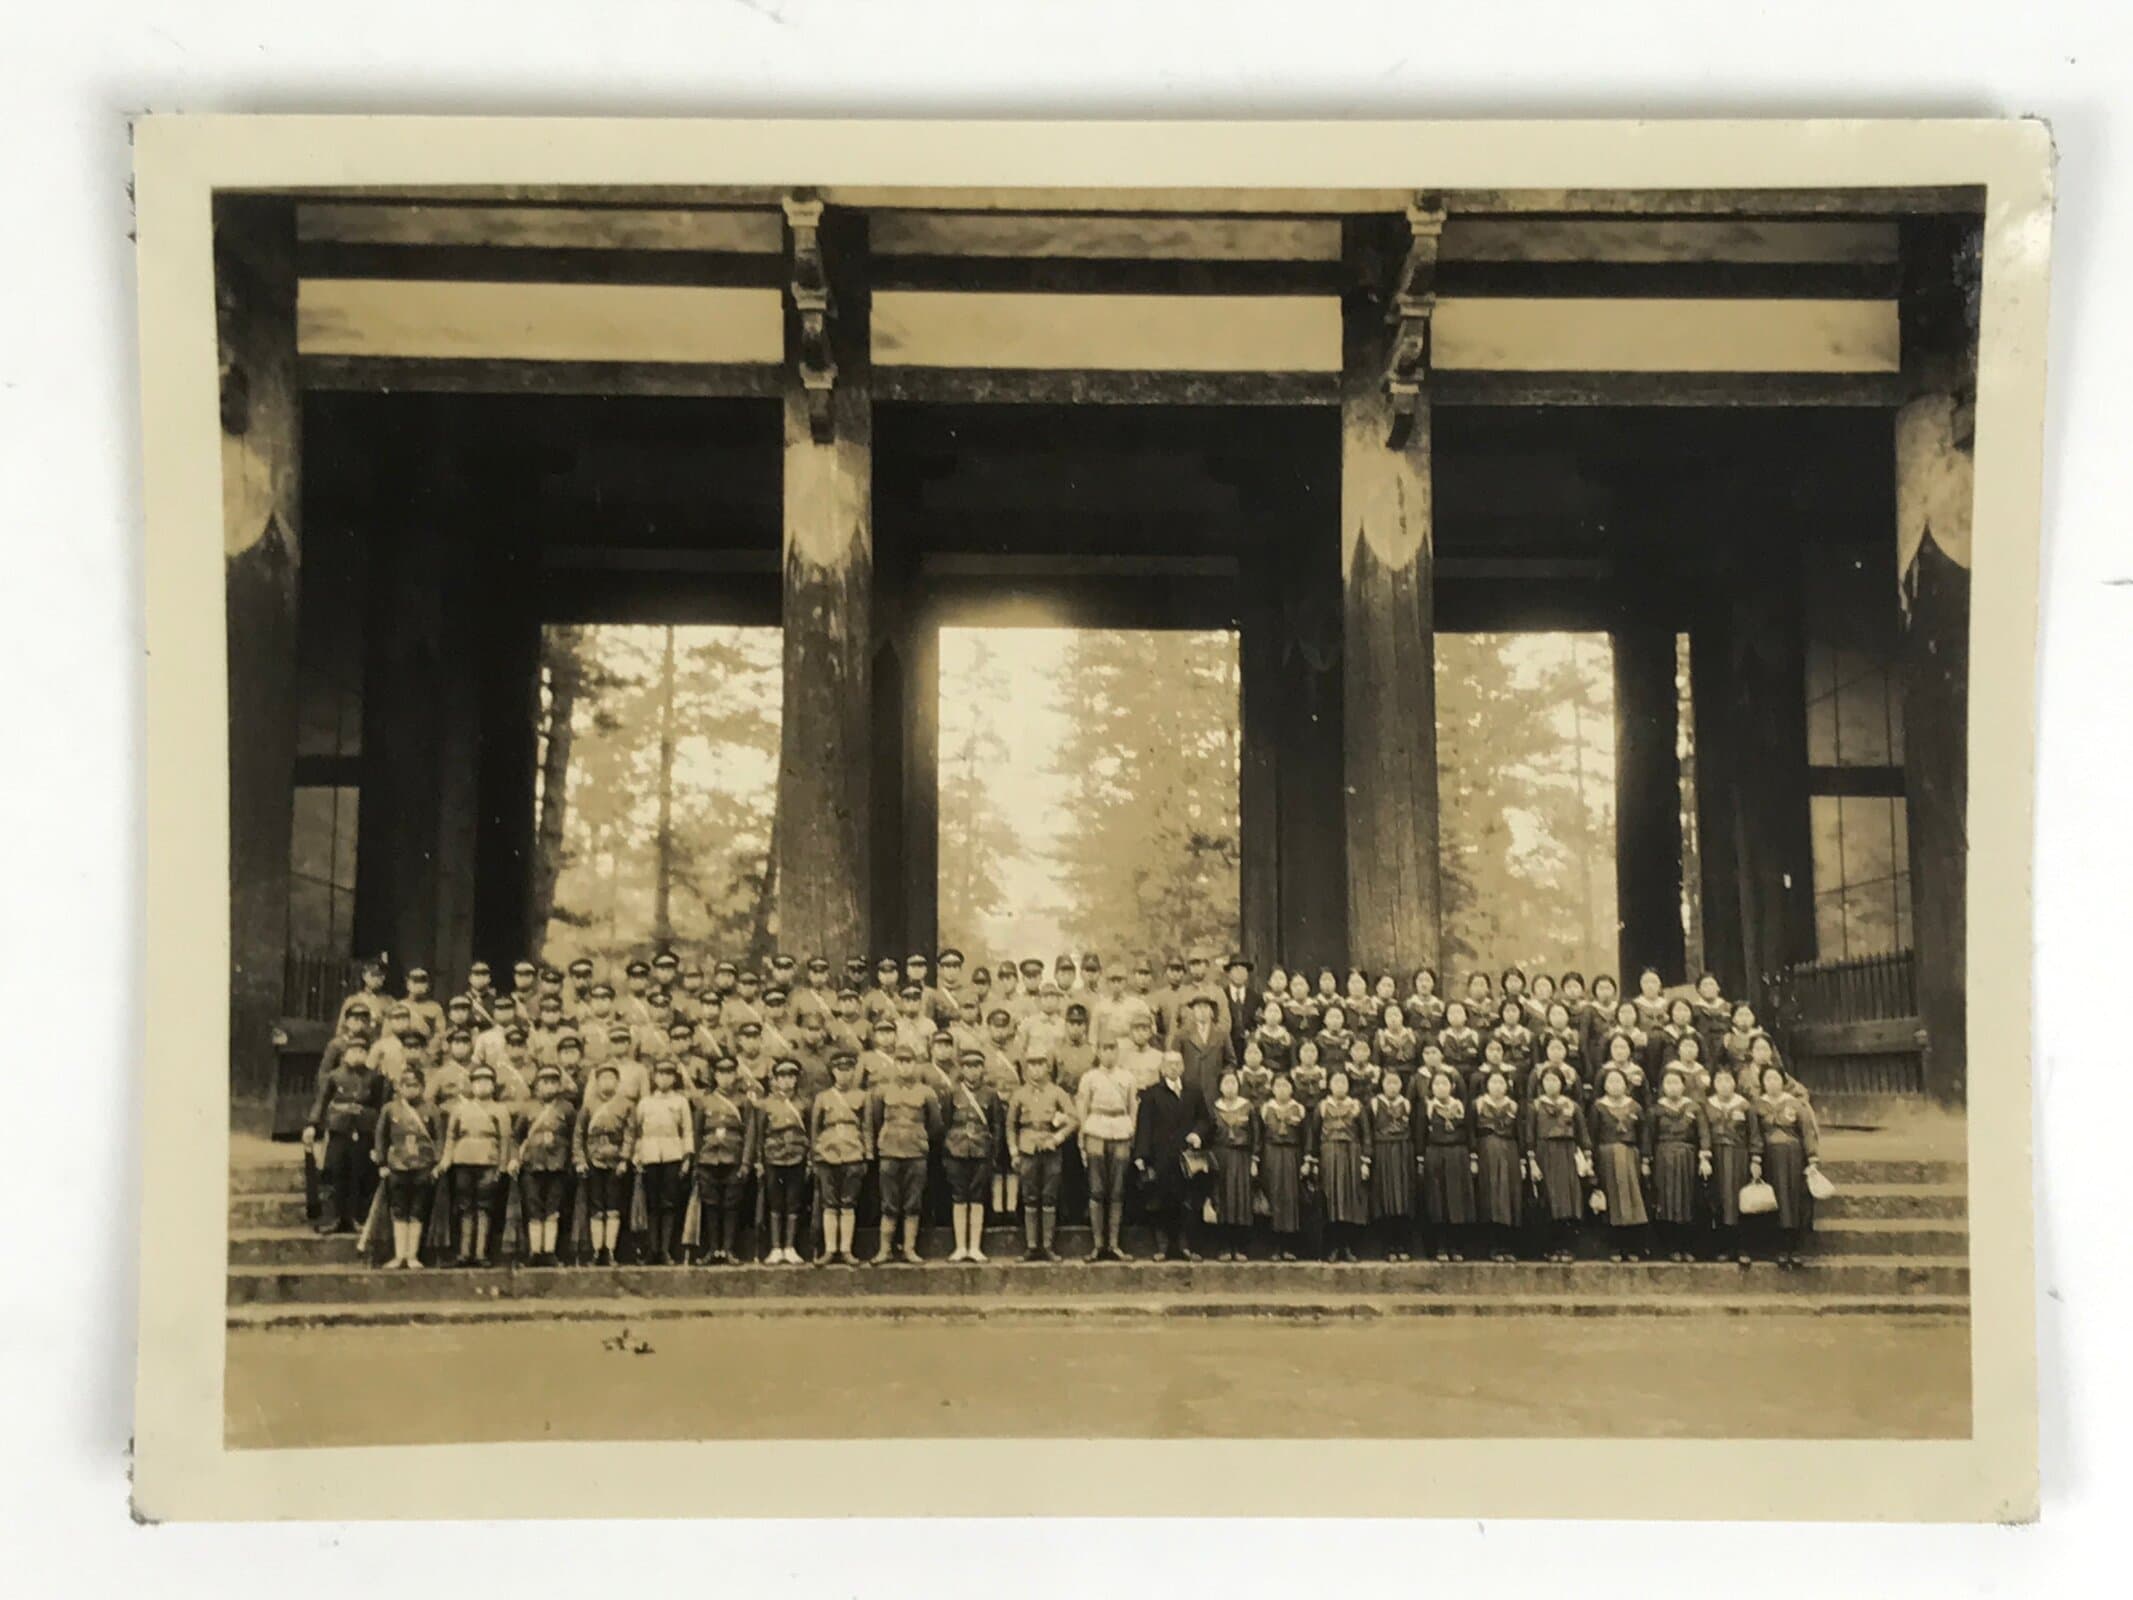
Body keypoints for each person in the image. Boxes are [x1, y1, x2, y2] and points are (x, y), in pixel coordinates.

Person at [1132, 1050, 1209, 1263]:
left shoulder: (1193, 1091)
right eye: (1169, 1064)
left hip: (1186, 1157)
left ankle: (1185, 1246)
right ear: (1162, 1068)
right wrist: (1141, 1155)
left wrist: (1197, 1134)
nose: (1174, 1068)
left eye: (1177, 1064)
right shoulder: (1152, 1094)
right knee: (1161, 1200)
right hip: (1161, 1156)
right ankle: (1163, 1246)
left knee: (1187, 1201)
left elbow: (1205, 1119)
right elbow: (1144, 1126)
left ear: (1183, 1067)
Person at [304, 1036, 385, 1234]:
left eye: (362, 1051)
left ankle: (358, 1218)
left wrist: (366, 1115)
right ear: (346, 1053)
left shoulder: (374, 1078)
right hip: (339, 1130)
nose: (357, 1054)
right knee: (336, 1172)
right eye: (354, 1050)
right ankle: (336, 1218)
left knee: (361, 1173)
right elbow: (321, 1102)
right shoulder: (334, 1076)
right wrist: (313, 1125)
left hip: (364, 1131)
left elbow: (380, 1106)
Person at [438, 1063, 513, 1267]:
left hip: (488, 1160)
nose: (482, 1086)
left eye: (487, 1081)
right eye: (478, 1081)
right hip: (463, 1159)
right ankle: (464, 1252)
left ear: (493, 1085)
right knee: (464, 1206)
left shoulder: (500, 1110)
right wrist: (446, 1159)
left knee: (484, 1206)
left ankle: (480, 1253)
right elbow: (451, 1136)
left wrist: (502, 1166)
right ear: (472, 1085)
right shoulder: (460, 1109)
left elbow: (505, 1139)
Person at [869, 1050, 940, 1265]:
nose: (904, 1066)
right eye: (900, 1062)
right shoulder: (882, 1091)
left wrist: (920, 1139)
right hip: (890, 1152)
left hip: (916, 1152)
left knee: (913, 1203)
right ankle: (885, 1250)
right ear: (895, 1064)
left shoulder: (927, 1092)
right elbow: (875, 1119)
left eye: (909, 1062)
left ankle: (909, 1249)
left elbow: (935, 1124)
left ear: (915, 1064)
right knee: (889, 1203)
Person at [1008, 1053, 1078, 1262]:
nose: (1036, 1069)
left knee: (1049, 1197)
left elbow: (1074, 1119)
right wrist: (1013, 1151)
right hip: (1027, 1147)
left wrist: (1057, 1138)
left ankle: (1047, 1246)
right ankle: (1031, 1246)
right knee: (1029, 1197)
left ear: (1047, 1067)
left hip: (1050, 1148)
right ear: (1027, 1068)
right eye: (1032, 1065)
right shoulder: (1019, 1094)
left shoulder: (1057, 1093)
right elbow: (1010, 1125)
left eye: (1040, 1064)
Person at [370, 1064, 442, 1269]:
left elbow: (439, 1137)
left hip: (422, 1166)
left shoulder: (431, 1109)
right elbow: (380, 1137)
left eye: (415, 1085)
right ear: (399, 1087)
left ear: (422, 1087)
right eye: (406, 1085)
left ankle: (412, 1255)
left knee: (418, 1210)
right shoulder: (390, 1109)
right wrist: (382, 1163)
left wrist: (436, 1163)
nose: (411, 1089)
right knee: (398, 1209)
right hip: (397, 1166)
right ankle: (399, 1255)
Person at [942, 1048, 1008, 1263]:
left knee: (978, 1198)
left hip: (981, 1151)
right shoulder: (952, 1093)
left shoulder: (990, 1094)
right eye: (968, 1066)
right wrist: (948, 1148)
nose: (972, 1071)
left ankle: (975, 1247)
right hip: (956, 1150)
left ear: (982, 1069)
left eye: (977, 1066)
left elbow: (997, 1126)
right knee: (959, 1197)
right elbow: (945, 1123)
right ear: (962, 1068)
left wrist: (993, 1152)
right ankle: (960, 1247)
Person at [1076, 1041, 1140, 1261]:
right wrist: (1082, 1135)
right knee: (1096, 1189)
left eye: (1113, 1049)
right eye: (1105, 1049)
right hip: (1095, 1129)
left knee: (1117, 1190)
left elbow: (1133, 1107)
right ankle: (1098, 1245)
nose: (1109, 1053)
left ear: (1118, 1052)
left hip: (1121, 1129)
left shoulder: (1128, 1077)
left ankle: (1113, 1244)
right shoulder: (1089, 1077)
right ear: (1099, 1052)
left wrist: (1132, 1132)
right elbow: (1082, 1107)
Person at [807, 1047, 870, 1267]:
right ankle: (830, 1250)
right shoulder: (823, 1097)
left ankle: (846, 1250)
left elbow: (867, 1127)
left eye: (848, 1070)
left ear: (854, 1072)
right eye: (839, 1070)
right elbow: (815, 1129)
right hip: (827, 1153)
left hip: (853, 1152)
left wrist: (867, 1154)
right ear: (833, 1072)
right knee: (829, 1203)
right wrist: (815, 1156)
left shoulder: (862, 1096)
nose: (844, 1074)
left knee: (848, 1203)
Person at [689, 1055, 755, 1266]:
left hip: (733, 1158)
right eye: (721, 1073)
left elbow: (750, 1134)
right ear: (715, 1075)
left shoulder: (743, 1102)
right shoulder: (705, 1101)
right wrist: (697, 1162)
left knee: (731, 1206)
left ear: (736, 1075)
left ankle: (728, 1250)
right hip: (708, 1159)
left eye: (729, 1073)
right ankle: (712, 1250)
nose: (725, 1077)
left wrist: (745, 1163)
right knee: (711, 1205)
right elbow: (697, 1133)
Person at [508, 1062, 576, 1266]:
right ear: (537, 1086)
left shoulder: (567, 1109)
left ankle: (549, 1252)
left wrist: (573, 1159)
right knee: (533, 1207)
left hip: (558, 1165)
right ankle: (535, 1252)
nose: (549, 1086)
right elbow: (516, 1137)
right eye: (545, 1082)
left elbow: (574, 1136)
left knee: (553, 1208)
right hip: (532, 1164)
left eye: (553, 1082)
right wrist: (514, 1158)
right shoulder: (528, 1108)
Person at [1756, 1063, 1823, 1268]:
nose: (1772, 1083)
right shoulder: (1757, 1106)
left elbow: (1807, 1132)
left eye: (1776, 1078)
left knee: (1794, 1198)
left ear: (1783, 1082)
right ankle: (1779, 1248)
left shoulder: (1795, 1105)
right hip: (1770, 1159)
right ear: (1762, 1083)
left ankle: (1795, 1247)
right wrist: (1755, 1159)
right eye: (1768, 1079)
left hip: (1794, 1157)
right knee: (1776, 1199)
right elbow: (1755, 1135)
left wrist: (1811, 1158)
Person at [1523, 1063, 1591, 1263]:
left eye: (1555, 1080)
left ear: (1562, 1083)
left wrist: (1587, 1158)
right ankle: (1550, 1248)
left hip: (1567, 1153)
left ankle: (1566, 1247)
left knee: (1568, 1200)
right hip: (1545, 1153)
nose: (1551, 1084)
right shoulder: (1535, 1106)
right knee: (1549, 1200)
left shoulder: (1572, 1106)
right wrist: (1532, 1162)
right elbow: (1530, 1136)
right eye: (1547, 1081)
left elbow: (1583, 1134)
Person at [630, 1058, 694, 1266]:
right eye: (660, 1074)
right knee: (651, 1204)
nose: (664, 1078)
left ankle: (666, 1250)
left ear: (674, 1078)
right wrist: (637, 1155)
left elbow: (687, 1131)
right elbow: (637, 1132)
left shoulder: (680, 1102)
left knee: (668, 1204)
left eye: (668, 1074)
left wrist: (687, 1157)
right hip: (649, 1155)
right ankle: (652, 1249)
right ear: (654, 1077)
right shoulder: (645, 1102)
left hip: (672, 1155)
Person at [1645, 1066, 1709, 1263]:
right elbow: (1648, 1137)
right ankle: (1671, 1247)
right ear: (1663, 1087)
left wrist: (1704, 1157)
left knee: (1687, 1200)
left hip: (1687, 1158)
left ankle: (1687, 1246)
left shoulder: (1694, 1108)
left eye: (1676, 1083)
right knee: (1667, 1201)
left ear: (1683, 1086)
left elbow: (1703, 1133)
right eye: (1668, 1083)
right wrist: (1646, 1160)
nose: (1673, 1087)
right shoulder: (1655, 1109)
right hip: (1664, 1157)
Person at [572, 1063, 633, 1266]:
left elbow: (630, 1134)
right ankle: (597, 1251)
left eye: (611, 1078)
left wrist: (624, 1159)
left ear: (617, 1082)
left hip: (616, 1163)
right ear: (597, 1083)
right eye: (603, 1079)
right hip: (593, 1161)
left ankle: (611, 1251)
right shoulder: (588, 1105)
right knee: (596, 1207)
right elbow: (579, 1134)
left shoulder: (626, 1105)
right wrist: (580, 1160)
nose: (607, 1082)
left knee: (614, 1207)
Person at [1590, 1066, 1650, 1262]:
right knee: (1612, 1202)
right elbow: (1592, 1135)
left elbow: (1644, 1135)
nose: (1615, 1085)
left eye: (1619, 1081)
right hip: (1606, 1156)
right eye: (1611, 1081)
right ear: (1604, 1085)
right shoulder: (1598, 1107)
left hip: (1630, 1156)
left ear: (1626, 1084)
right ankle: (1613, 1248)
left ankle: (1631, 1247)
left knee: (1632, 1201)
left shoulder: (1635, 1107)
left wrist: (1645, 1160)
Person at [1310, 1068, 1371, 1263]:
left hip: (1351, 1153)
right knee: (1332, 1200)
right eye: (1336, 1082)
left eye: (1343, 1082)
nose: (1339, 1086)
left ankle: (1348, 1247)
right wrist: (1313, 1160)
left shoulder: (1356, 1106)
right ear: (1329, 1085)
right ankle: (1333, 1247)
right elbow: (1314, 1134)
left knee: (1350, 1201)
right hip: (1329, 1153)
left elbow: (1366, 1134)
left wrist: (1365, 1161)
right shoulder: (1322, 1106)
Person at [1703, 1065, 1762, 1266]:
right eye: (1719, 1081)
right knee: (1718, 1198)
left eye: (1728, 1080)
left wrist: (1755, 1158)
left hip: (1739, 1155)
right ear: (1713, 1083)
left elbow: (1754, 1134)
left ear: (1734, 1083)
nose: (1724, 1085)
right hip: (1716, 1157)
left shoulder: (1745, 1106)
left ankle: (1743, 1247)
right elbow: (1702, 1134)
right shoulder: (1707, 1105)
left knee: (1739, 1200)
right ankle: (1723, 1246)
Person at [754, 1059, 812, 1266]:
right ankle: (776, 1247)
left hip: (797, 1156)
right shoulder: (766, 1104)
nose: (787, 1081)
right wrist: (759, 1161)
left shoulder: (804, 1103)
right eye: (782, 1077)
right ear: (775, 1080)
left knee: (794, 1202)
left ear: (796, 1079)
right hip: (773, 1157)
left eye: (791, 1077)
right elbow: (759, 1134)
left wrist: (810, 1159)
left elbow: (810, 1132)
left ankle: (790, 1247)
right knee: (775, 1202)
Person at [1418, 1068, 1475, 1263]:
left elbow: (1469, 1132)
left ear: (1452, 1086)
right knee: (1438, 1201)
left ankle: (1456, 1246)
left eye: (1444, 1084)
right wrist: (1421, 1158)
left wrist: (1471, 1156)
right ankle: (1440, 1246)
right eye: (1436, 1084)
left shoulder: (1460, 1106)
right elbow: (1420, 1135)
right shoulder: (1427, 1108)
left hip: (1457, 1154)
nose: (1440, 1088)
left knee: (1456, 1201)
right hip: (1435, 1153)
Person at [1202, 1069, 1256, 1261]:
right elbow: (1208, 1135)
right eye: (1226, 1083)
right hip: (1220, 1157)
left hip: (1241, 1157)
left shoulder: (1248, 1107)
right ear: (1220, 1086)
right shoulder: (1214, 1108)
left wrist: (1254, 1160)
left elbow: (1255, 1135)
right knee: (1222, 1199)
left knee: (1240, 1201)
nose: (1230, 1087)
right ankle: (1223, 1247)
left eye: (1233, 1082)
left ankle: (1240, 1247)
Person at [1472, 1068, 1525, 1262]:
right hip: (1486, 1151)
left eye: (1501, 1083)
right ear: (1486, 1085)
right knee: (1491, 1197)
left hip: (1509, 1151)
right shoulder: (1477, 1104)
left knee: (1509, 1198)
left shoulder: (1513, 1106)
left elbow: (1520, 1133)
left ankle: (1508, 1245)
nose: (1497, 1086)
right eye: (1493, 1082)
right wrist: (1474, 1156)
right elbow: (1471, 1131)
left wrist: (1522, 1159)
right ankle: (1493, 1246)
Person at [1256, 1072, 1308, 1260]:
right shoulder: (1265, 1109)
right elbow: (1259, 1137)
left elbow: (1306, 1137)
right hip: (1272, 1155)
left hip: (1292, 1155)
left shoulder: (1299, 1109)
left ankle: (1289, 1246)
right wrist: (1257, 1159)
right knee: (1274, 1196)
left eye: (1285, 1086)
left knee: (1291, 1199)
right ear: (1272, 1088)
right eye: (1278, 1086)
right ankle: (1274, 1246)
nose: (1282, 1090)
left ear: (1292, 1088)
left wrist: (1306, 1161)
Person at [1367, 1062, 1415, 1260]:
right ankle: (1388, 1247)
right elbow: (1369, 1131)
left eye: (1396, 1083)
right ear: (1382, 1085)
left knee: (1402, 1198)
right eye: (1388, 1083)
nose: (1392, 1087)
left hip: (1402, 1150)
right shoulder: (1375, 1103)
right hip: (1383, 1151)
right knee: (1386, 1198)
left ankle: (1402, 1245)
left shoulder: (1406, 1103)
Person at [1176, 991, 1235, 1109]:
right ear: (1193, 1011)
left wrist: (1221, 1081)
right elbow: (1175, 1062)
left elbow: (1231, 1062)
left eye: (1205, 1007)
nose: (1202, 1011)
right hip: (1189, 1091)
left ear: (1211, 1011)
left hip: (1215, 1092)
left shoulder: (1222, 1034)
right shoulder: (1182, 1034)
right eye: (1198, 1008)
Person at [1437, 1000, 1484, 1084]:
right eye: (1451, 1013)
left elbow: (1481, 1059)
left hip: (1471, 1074)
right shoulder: (1442, 1036)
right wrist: (1449, 1070)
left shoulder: (1474, 1035)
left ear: (1466, 1016)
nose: (1455, 1016)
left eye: (1459, 1012)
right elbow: (1439, 1060)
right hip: (1450, 1074)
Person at [1491, 998, 1537, 1080]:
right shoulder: (1495, 1034)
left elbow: (1534, 1059)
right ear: (1502, 1013)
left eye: (1514, 1011)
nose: (1511, 1014)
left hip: (1523, 1073)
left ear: (1520, 1013)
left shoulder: (1528, 1035)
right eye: (1507, 1011)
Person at [1374, 1003, 1421, 1081]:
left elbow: (1419, 1058)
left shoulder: (1412, 1035)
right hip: (1389, 1076)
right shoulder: (1381, 1037)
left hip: (1410, 1075)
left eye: (1396, 1015)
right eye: (1389, 1016)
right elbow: (1376, 1061)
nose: (1393, 1019)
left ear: (1402, 1016)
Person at [1247, 998, 1294, 1074]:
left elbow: (1293, 1060)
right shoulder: (1255, 1036)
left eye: (1276, 1011)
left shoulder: (1288, 1037)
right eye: (1269, 1011)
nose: (1273, 1014)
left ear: (1281, 1015)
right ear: (1263, 1014)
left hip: (1283, 1075)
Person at [1289, 1036, 1330, 1115]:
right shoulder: (1293, 1074)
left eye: (1313, 1051)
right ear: (1298, 1052)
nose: (1309, 1054)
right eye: (1305, 1051)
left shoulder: (1324, 1073)